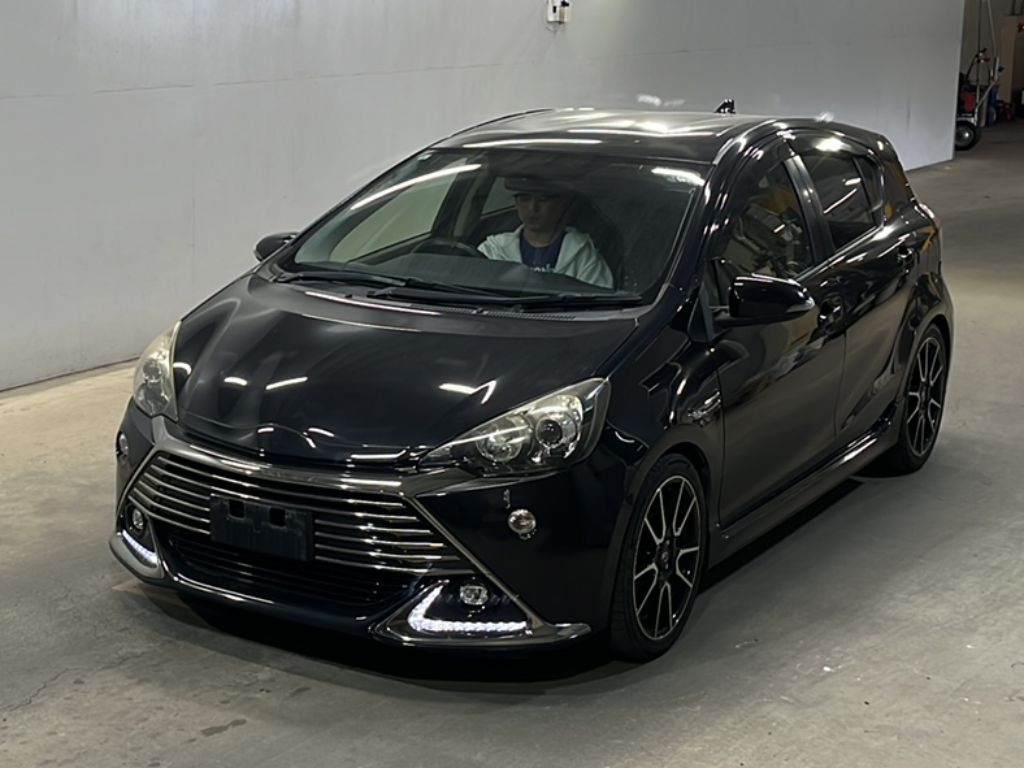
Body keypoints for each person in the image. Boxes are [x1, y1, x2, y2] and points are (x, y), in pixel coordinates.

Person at [477, 177, 614, 289]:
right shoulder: (493, 250)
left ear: (561, 204)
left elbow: (600, 300)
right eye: (525, 199)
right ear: (516, 204)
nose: (533, 208)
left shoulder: (582, 252)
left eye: (543, 199)